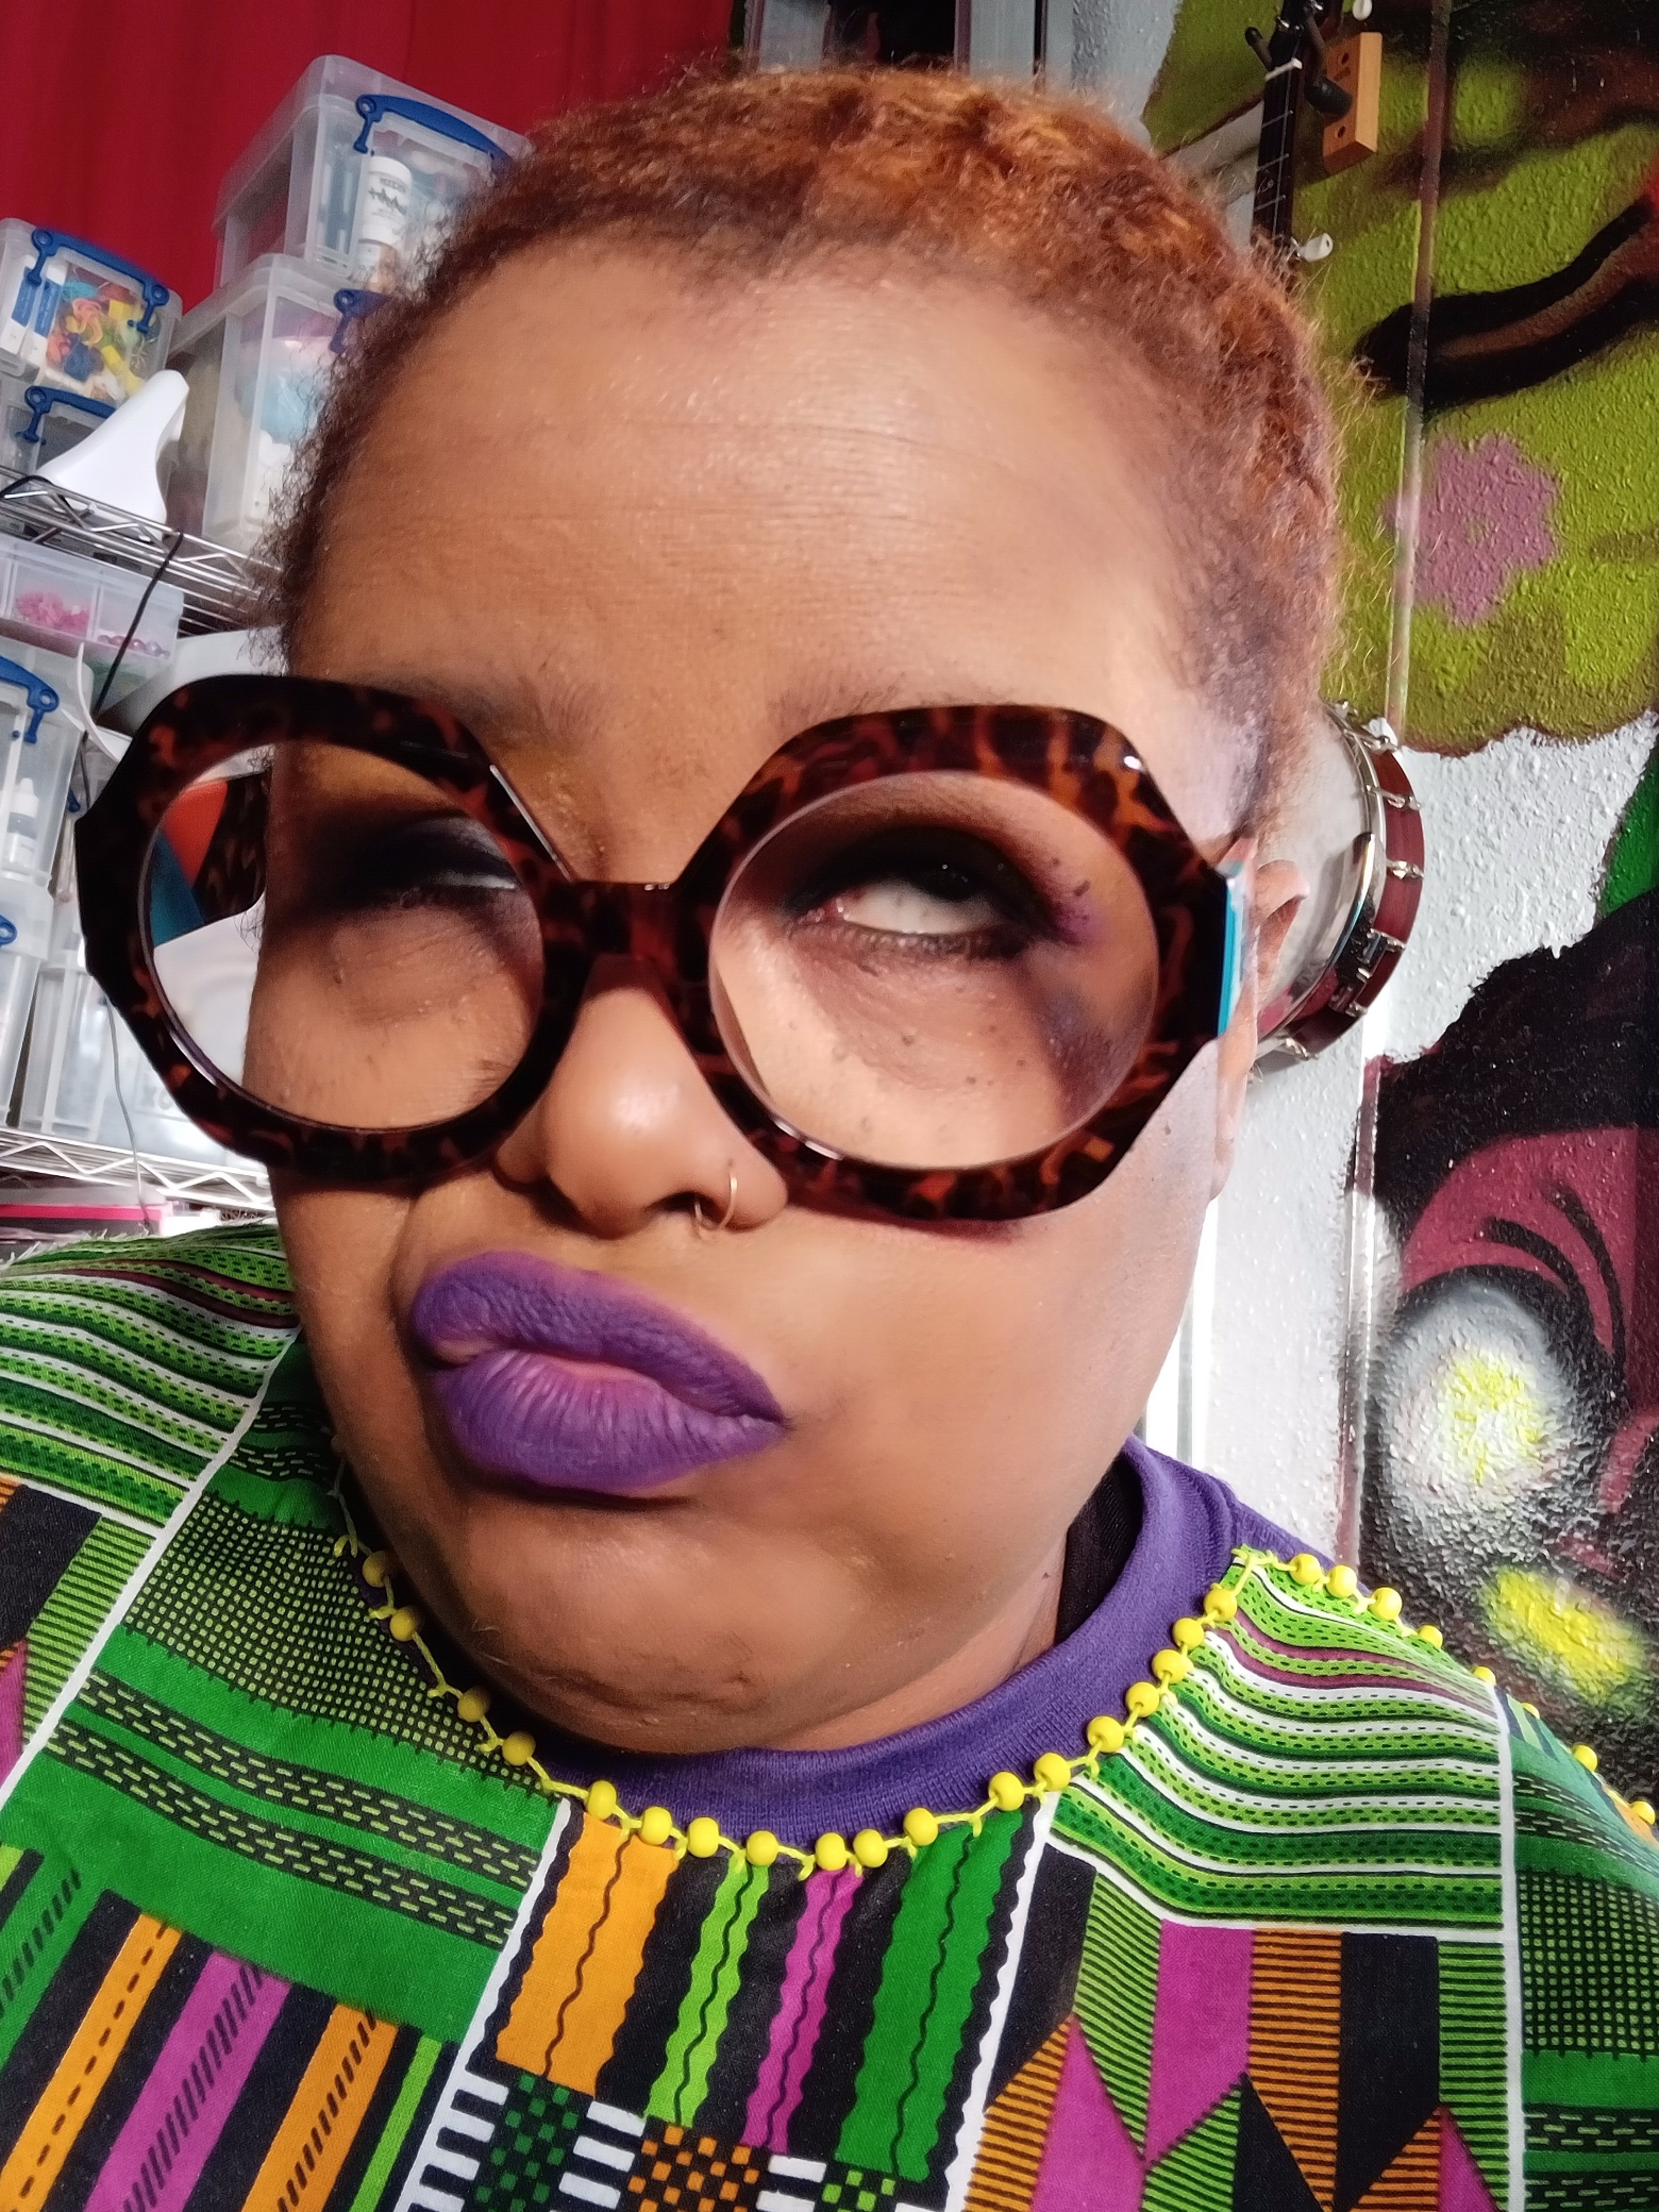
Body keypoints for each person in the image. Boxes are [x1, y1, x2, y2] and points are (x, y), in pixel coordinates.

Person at [0, 67, 1650, 2212]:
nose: (608, 1122)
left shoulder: (1541, 2027)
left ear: (1238, 1006)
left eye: (927, 886)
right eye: (422, 860)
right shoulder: (34, 1439)